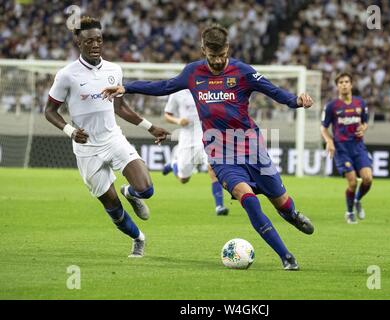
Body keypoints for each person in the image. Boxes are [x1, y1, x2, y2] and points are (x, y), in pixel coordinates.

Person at [102, 24, 314, 271]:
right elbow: (163, 86)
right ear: (204, 50)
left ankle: (293, 215)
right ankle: (286, 257)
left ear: (227, 49)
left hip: (252, 149)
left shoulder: (242, 72)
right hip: (220, 154)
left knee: (282, 203)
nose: (218, 61)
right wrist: (128, 87)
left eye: (222, 55)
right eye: (213, 56)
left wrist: (296, 101)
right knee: (249, 201)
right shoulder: (193, 73)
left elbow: (274, 91)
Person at [45, 17, 170, 257]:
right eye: (89, 40)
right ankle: (138, 238)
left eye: (99, 40)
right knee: (112, 206)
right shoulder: (66, 75)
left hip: (113, 140)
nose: (95, 44)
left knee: (146, 190)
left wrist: (150, 127)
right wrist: (70, 131)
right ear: (78, 42)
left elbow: (120, 108)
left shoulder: (114, 70)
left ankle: (131, 193)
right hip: (87, 150)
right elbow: (49, 111)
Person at [162, 89, 229, 216]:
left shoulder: (205, 87)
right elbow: (167, 114)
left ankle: (219, 206)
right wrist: (178, 121)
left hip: (206, 134)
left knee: (212, 167)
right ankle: (174, 165)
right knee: (183, 179)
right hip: (187, 137)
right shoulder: (177, 92)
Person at [320, 72, 373, 224]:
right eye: (341, 82)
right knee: (352, 182)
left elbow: (365, 122)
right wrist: (329, 141)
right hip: (341, 149)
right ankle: (349, 212)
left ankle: (357, 200)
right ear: (337, 86)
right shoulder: (332, 106)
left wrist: (364, 128)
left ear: (351, 84)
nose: (344, 84)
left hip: (358, 146)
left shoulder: (360, 103)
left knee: (368, 179)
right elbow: (323, 128)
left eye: (346, 81)